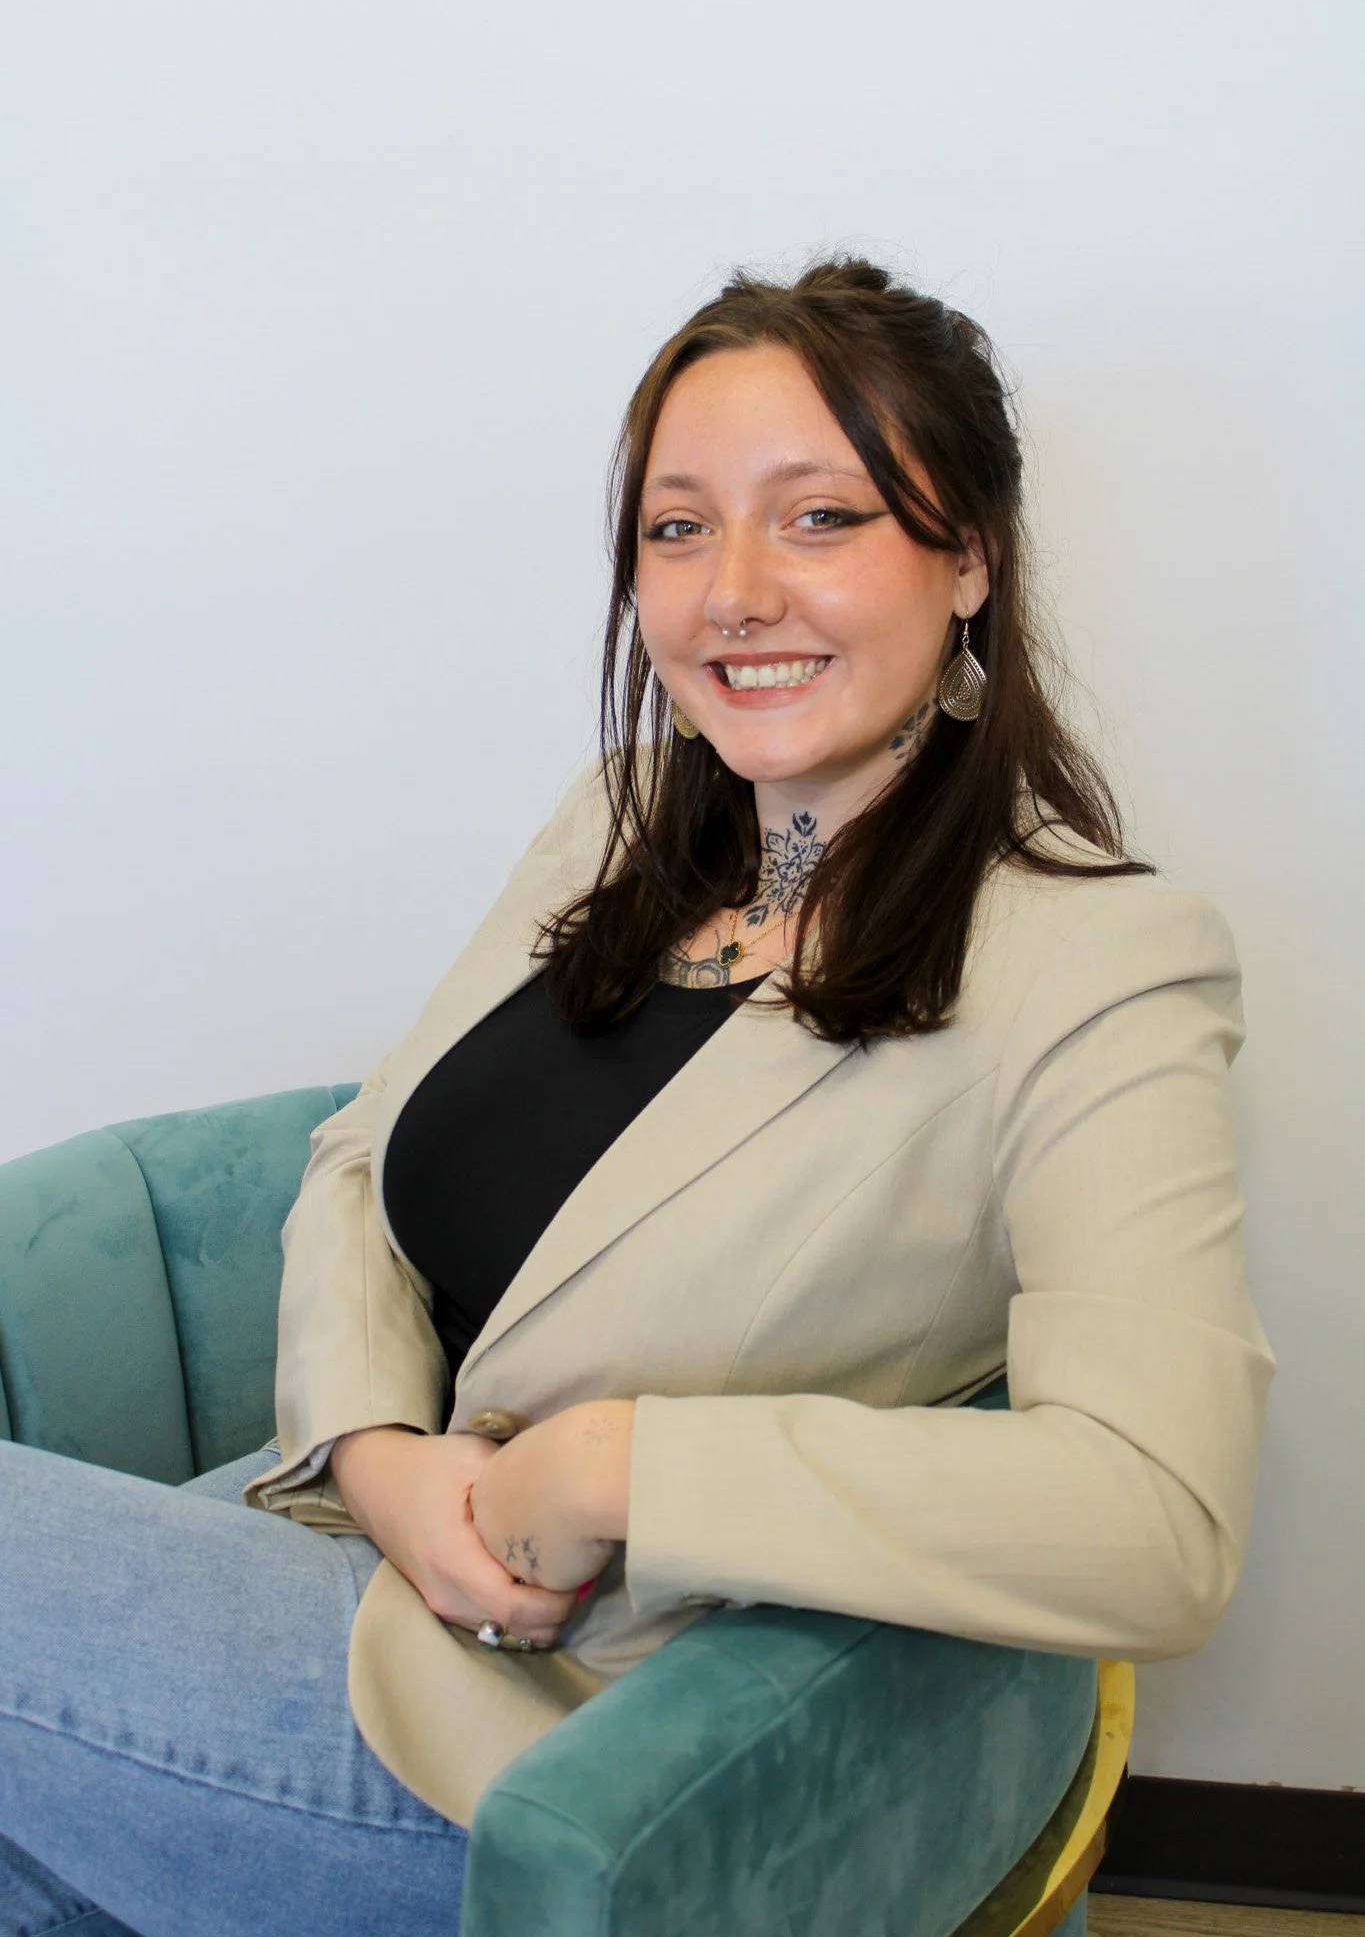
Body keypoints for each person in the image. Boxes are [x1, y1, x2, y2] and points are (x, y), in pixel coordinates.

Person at [0, 258, 1275, 1936]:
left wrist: (619, 1468)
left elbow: (1158, 1517)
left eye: (819, 518)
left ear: (968, 557)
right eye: (679, 529)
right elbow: (361, 1155)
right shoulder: (618, 821)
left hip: (541, 1736)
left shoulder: (1100, 962)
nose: (734, 591)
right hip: (320, 1536)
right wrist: (375, 1455)